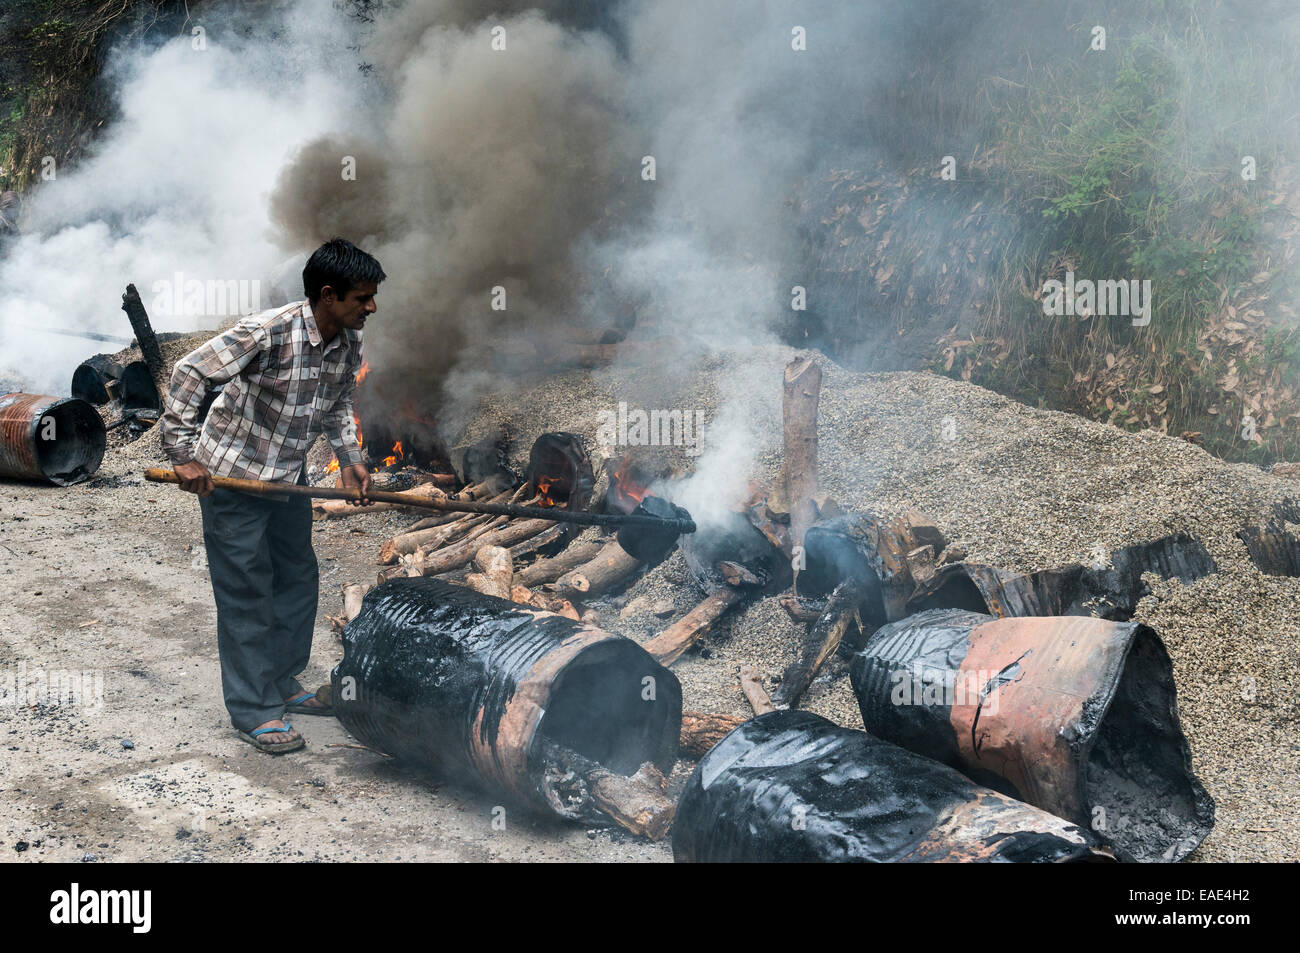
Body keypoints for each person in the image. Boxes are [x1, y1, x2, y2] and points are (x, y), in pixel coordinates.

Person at [160, 238, 383, 753]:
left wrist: (351, 459)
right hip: (232, 478)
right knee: (246, 588)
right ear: (328, 295)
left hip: (288, 478)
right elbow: (190, 372)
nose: (370, 307)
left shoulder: (347, 343)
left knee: (298, 577)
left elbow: (338, 400)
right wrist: (181, 453)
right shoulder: (268, 330)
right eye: (361, 298)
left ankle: (282, 681)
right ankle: (254, 708)